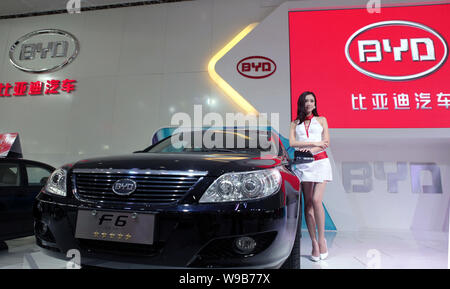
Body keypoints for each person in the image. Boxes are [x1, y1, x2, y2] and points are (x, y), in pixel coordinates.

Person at [289, 91, 333, 262]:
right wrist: (315, 143)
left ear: (315, 103)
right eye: (306, 101)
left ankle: (322, 240)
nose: (309, 103)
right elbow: (293, 143)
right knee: (307, 204)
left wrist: (312, 150)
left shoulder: (322, 120)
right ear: (301, 103)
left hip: (320, 162)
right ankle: (314, 243)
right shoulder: (294, 123)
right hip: (303, 165)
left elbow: (326, 142)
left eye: (312, 100)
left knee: (316, 200)